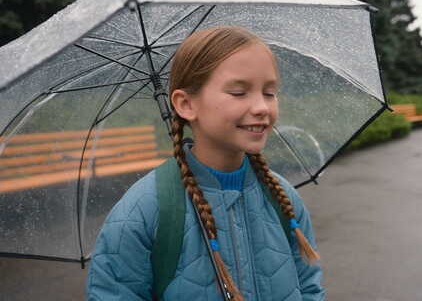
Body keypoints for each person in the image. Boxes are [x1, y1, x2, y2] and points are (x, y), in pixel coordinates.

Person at [86, 26, 325, 301]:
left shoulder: (284, 200)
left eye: (270, 92)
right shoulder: (143, 213)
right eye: (239, 92)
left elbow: (309, 288)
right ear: (186, 104)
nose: (262, 107)